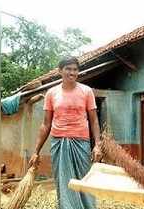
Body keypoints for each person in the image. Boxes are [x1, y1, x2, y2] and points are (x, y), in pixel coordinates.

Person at [28, 57, 102, 209]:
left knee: (85, 179)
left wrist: (98, 145)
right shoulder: (51, 93)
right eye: (68, 69)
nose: (72, 72)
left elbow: (94, 121)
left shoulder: (86, 91)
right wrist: (36, 151)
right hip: (59, 143)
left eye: (75, 69)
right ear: (60, 71)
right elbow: (45, 124)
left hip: (81, 142)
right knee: (64, 181)